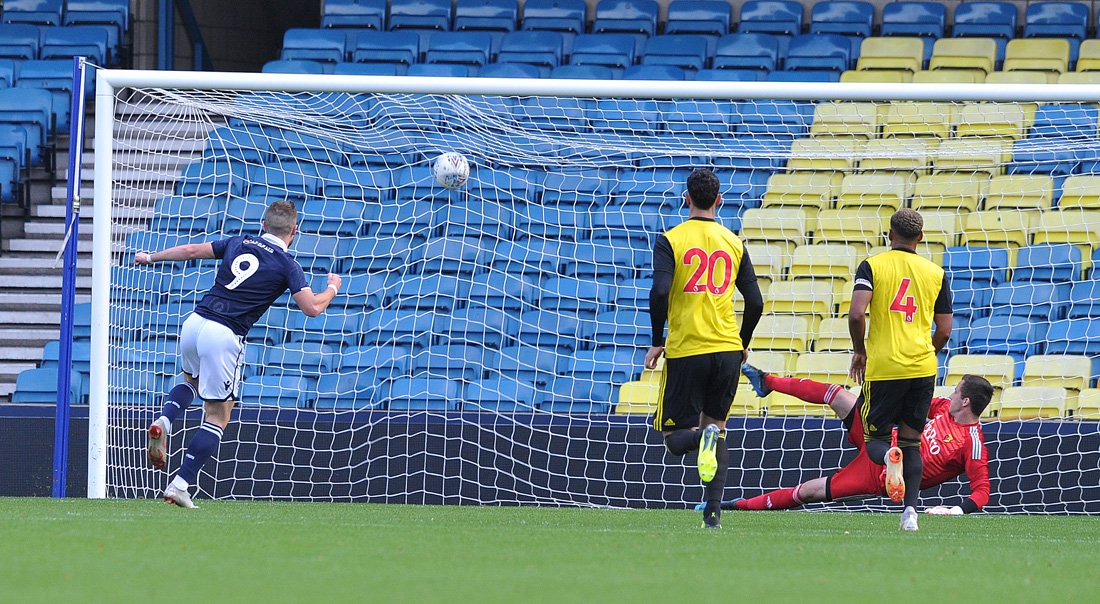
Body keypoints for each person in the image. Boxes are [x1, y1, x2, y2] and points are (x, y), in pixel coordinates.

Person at [134, 200, 341, 508]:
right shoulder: (288, 265)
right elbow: (311, 308)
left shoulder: (237, 241)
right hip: (224, 334)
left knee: (190, 381)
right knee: (218, 414)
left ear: (263, 225)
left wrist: (149, 256)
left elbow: (191, 252)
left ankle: (165, 419)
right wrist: (333, 288)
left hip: (195, 322)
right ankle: (179, 484)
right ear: (294, 231)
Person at [707, 365, 992, 515]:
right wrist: (874, 405)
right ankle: (767, 381)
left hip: (879, 478)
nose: (951, 394)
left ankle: (734, 505)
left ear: (965, 401)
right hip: (878, 440)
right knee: (838, 395)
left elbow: (982, 490)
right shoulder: (943, 407)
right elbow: (908, 408)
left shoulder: (972, 442)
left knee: (808, 491)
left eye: (956, 392)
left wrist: (956, 509)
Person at [646, 168, 764, 529]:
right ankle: (712, 515)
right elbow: (756, 302)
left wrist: (656, 341)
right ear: (719, 200)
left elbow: (661, 292)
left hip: (687, 349)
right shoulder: (734, 241)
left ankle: (702, 439)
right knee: (718, 426)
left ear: (686, 199)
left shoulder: (671, 239)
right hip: (727, 349)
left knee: (673, 438)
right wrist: (742, 344)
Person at [848, 208, 952, 531]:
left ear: (890, 235)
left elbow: (856, 314)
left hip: (885, 369)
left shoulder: (873, 266)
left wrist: (859, 350)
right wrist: (925, 354)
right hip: (922, 369)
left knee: (875, 440)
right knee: (913, 443)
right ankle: (910, 514)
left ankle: (888, 459)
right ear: (921, 238)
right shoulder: (936, 273)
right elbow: (945, 330)